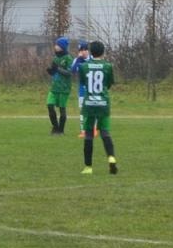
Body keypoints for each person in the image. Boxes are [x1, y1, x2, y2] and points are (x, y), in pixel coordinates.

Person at [75, 40, 118, 175]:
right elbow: (109, 84)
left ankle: (88, 167)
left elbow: (83, 83)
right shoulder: (108, 66)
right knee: (105, 132)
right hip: (103, 103)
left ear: (90, 52)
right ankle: (111, 158)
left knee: (88, 134)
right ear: (103, 52)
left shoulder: (84, 66)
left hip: (89, 104)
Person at [44, 36, 74, 134]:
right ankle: (55, 127)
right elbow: (54, 72)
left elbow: (69, 73)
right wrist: (51, 71)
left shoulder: (68, 58)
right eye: (56, 45)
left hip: (64, 88)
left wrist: (58, 69)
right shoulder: (55, 58)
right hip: (54, 87)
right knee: (49, 105)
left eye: (58, 45)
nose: (55, 46)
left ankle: (61, 130)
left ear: (63, 47)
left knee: (62, 108)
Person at [74, 39, 91, 138]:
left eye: (85, 49)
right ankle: (83, 130)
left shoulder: (92, 59)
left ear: (88, 50)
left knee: (91, 109)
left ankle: (93, 129)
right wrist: (79, 59)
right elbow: (73, 70)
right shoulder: (77, 60)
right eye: (81, 50)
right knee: (82, 110)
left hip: (92, 90)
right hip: (81, 89)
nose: (83, 52)